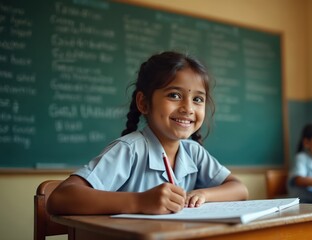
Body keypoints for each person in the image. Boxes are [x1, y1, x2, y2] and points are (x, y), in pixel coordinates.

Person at [48, 51, 249, 215]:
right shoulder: (129, 150)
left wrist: (204, 194)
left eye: (198, 99)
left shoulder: (193, 152)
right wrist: (139, 201)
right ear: (144, 103)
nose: (188, 108)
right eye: (174, 95)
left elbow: (240, 189)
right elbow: (60, 198)